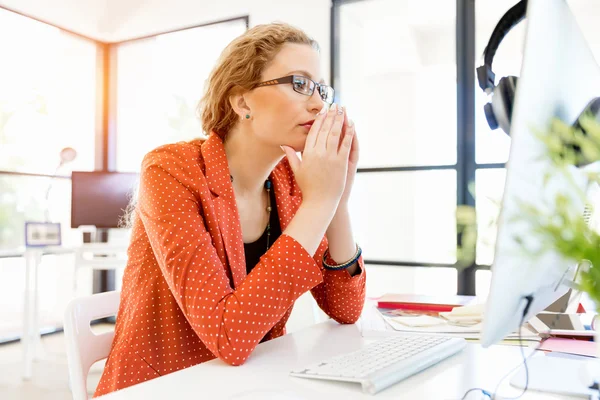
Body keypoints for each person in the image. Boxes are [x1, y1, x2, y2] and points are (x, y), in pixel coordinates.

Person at [94, 22, 366, 397]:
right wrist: (320, 201)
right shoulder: (170, 170)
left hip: (249, 385)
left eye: (320, 88)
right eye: (299, 83)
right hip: (165, 388)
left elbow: (346, 307)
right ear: (242, 102)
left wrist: (338, 199)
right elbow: (230, 337)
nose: (319, 104)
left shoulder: (291, 181)